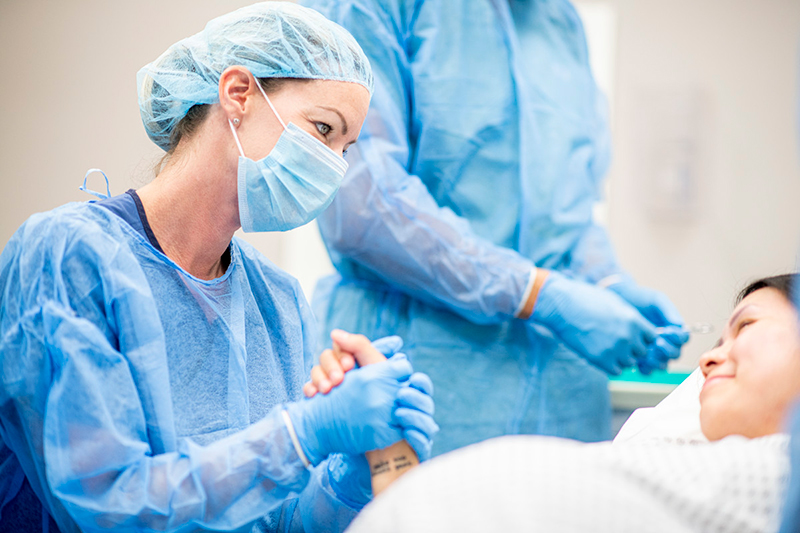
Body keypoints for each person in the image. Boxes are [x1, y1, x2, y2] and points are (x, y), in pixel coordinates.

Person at [0, 3, 437, 532]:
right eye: (324, 129)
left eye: (346, 147)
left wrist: (349, 476)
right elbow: (108, 506)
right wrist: (302, 437)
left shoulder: (276, 302)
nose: (334, 167)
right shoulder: (69, 258)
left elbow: (275, 522)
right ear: (239, 94)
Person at [298, 0, 690, 454]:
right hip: (423, 373)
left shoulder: (559, 21)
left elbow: (569, 203)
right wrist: (537, 293)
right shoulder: (372, 8)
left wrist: (605, 280)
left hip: (564, 397)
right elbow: (364, 206)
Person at [330, 274, 800, 532]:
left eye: (748, 326)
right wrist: (390, 454)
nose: (708, 358)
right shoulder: (674, 468)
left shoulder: (778, 478)